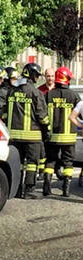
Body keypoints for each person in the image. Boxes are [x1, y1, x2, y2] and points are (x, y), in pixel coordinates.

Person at [6, 63, 49, 199]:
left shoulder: (12, 91)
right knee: (31, 164)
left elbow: (5, 113)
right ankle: (29, 191)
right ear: (31, 75)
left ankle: (17, 190)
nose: (37, 78)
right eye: (36, 75)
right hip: (32, 136)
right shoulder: (35, 92)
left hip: (13, 136)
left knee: (18, 164)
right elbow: (42, 116)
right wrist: (46, 130)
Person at [43, 67, 80, 197]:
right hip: (69, 137)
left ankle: (46, 188)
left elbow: (42, 113)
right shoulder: (74, 95)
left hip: (52, 136)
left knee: (51, 161)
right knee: (68, 163)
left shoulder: (49, 94)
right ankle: (66, 190)